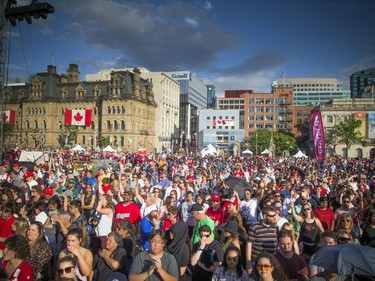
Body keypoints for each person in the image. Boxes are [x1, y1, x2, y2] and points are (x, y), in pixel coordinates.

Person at [246, 206, 278, 276]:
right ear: (264, 216)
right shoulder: (254, 227)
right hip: (257, 262)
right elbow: (249, 245)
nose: (274, 218)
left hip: (272, 262)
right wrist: (248, 262)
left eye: (274, 215)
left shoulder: (275, 226)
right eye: (271, 216)